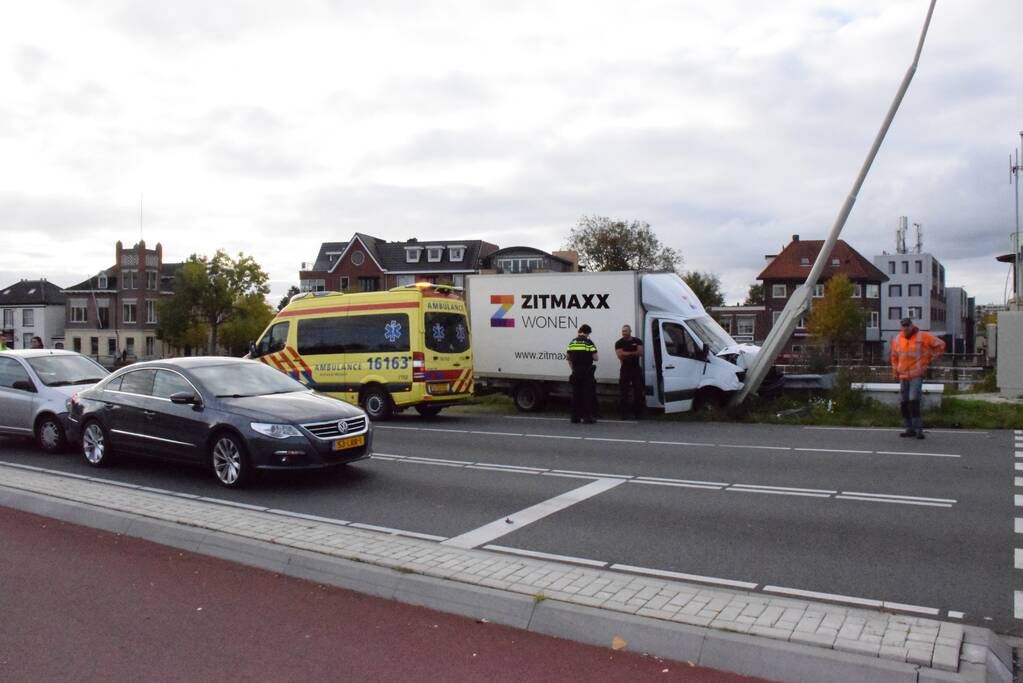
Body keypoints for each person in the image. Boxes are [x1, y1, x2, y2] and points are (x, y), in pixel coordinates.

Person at [890, 317, 945, 439]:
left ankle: (918, 429)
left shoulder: (923, 336)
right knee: (905, 403)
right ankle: (909, 428)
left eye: (907, 325)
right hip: (903, 375)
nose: (905, 328)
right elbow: (894, 356)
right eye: (903, 326)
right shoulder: (897, 339)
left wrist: (931, 357)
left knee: (914, 401)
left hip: (916, 375)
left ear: (911, 325)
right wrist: (895, 371)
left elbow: (941, 344)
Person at [566, 324, 598, 424]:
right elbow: (596, 358)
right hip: (586, 372)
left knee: (576, 395)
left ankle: (575, 418)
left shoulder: (572, 342)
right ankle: (587, 417)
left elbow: (568, 358)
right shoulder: (588, 343)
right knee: (586, 395)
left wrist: (573, 369)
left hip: (575, 371)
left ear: (580, 331)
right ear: (588, 333)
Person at [614, 324, 645, 420]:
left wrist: (627, 354)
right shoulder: (619, 343)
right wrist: (633, 353)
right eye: (623, 331)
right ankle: (624, 414)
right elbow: (620, 355)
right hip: (625, 369)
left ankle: (638, 414)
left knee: (638, 392)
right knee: (624, 393)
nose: (624, 333)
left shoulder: (637, 341)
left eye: (626, 331)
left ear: (630, 331)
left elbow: (640, 353)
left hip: (636, 369)